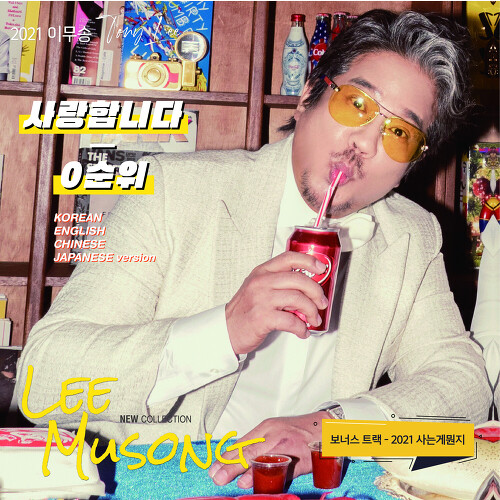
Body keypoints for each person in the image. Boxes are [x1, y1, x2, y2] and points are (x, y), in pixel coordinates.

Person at [17, 9, 492, 489]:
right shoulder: (170, 190)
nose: (366, 144)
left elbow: (465, 386)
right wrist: (223, 331)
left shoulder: (411, 234)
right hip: (161, 479)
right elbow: (42, 379)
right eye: (356, 104)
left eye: (400, 133)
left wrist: (332, 431)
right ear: (308, 96)